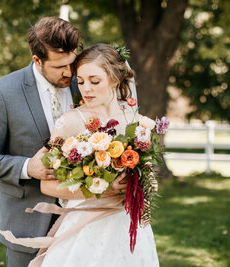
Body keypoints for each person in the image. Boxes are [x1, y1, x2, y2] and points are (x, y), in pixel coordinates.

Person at [0, 17, 83, 267]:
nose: (69, 72)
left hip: (82, 219)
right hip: (27, 221)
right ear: (37, 60)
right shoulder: (3, 92)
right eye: (59, 66)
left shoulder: (84, 85)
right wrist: (26, 167)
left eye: (72, 63)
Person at [38, 44, 159, 266]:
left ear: (114, 79)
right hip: (85, 227)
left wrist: (145, 183)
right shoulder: (70, 122)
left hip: (127, 224)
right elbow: (46, 186)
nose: (86, 89)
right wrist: (103, 189)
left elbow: (147, 170)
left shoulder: (135, 120)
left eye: (95, 81)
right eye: (81, 81)